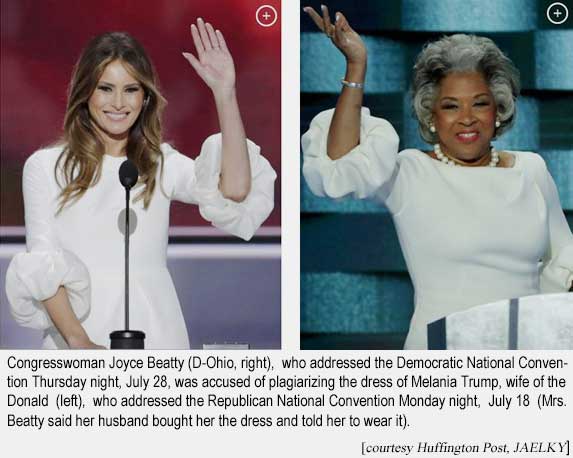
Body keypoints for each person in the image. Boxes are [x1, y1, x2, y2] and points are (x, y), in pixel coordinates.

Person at [301, 6, 573, 349]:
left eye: (479, 104)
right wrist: (356, 66)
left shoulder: (530, 169)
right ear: (431, 115)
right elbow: (338, 168)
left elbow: (563, 261)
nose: (467, 118)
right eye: (451, 106)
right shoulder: (409, 172)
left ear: (498, 110)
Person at [5, 19, 276, 349]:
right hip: (77, 341)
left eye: (131, 89)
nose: (118, 103)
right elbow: (41, 264)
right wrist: (81, 343)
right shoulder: (47, 168)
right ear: (85, 93)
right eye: (106, 88)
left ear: (145, 98)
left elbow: (234, 191)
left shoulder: (159, 163)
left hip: (158, 334)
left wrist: (225, 94)